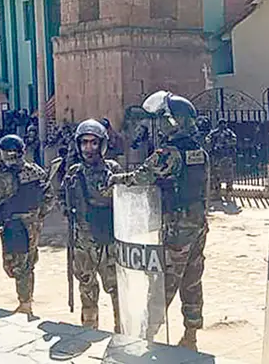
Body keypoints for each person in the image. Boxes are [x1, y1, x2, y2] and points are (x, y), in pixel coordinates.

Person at [109, 91, 208, 350]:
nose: (160, 125)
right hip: (198, 226)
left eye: (163, 120)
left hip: (176, 229)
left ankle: (147, 335)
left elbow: (142, 176)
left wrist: (116, 179)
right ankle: (191, 333)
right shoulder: (198, 151)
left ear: (174, 122)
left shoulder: (169, 152)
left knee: (162, 283)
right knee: (192, 281)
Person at [61, 119, 123, 331]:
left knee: (116, 289)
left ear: (102, 145)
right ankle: (89, 329)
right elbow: (63, 200)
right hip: (82, 242)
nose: (89, 148)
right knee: (86, 288)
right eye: (84, 143)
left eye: (94, 143)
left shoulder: (112, 170)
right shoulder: (73, 172)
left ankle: (121, 331)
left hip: (108, 241)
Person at [0, 134, 51, 315]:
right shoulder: (36, 170)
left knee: (17, 266)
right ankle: (26, 300)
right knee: (28, 262)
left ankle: (25, 304)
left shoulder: (3, 177)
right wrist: (39, 215)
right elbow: (49, 197)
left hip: (15, 224)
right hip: (33, 223)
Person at [204, 119, 238, 203]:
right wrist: (212, 144)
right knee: (216, 176)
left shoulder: (229, 133)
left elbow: (234, 140)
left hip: (226, 156)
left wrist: (226, 143)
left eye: (224, 123)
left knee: (228, 176)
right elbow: (207, 140)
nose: (223, 125)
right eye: (221, 124)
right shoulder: (214, 133)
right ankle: (217, 193)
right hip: (217, 157)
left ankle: (228, 193)